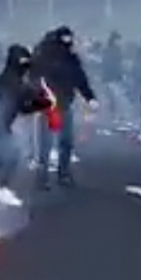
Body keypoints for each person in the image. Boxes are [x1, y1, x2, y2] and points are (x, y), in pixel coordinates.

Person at [0, 44, 53, 207]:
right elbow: (23, 99)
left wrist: (40, 104)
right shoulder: (11, 80)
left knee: (4, 155)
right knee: (13, 153)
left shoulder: (11, 78)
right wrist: (43, 102)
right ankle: (2, 189)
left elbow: (22, 107)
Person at [31, 25, 98, 187]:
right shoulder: (44, 57)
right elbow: (33, 78)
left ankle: (60, 173)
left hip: (61, 103)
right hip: (48, 104)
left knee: (61, 141)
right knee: (51, 142)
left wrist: (89, 97)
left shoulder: (69, 58)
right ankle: (48, 175)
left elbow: (79, 78)